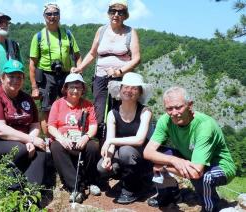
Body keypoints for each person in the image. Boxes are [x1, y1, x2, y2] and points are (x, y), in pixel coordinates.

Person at [143, 86, 236, 212]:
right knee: (156, 156)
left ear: (190, 105)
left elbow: (196, 172)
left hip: (220, 167)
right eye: (169, 109)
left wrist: (164, 166)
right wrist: (174, 160)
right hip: (190, 159)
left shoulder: (205, 126)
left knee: (204, 177)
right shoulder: (166, 120)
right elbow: (148, 152)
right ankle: (168, 196)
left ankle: (210, 208)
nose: (174, 113)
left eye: (178, 107)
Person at [71, 0, 140, 140]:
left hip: (121, 79)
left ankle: (116, 143)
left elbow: (136, 58)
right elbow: (92, 53)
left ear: (125, 15)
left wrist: (119, 72)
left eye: (120, 12)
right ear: (109, 13)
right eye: (113, 11)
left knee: (118, 111)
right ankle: (99, 143)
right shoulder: (101, 30)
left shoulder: (130, 32)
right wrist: (80, 68)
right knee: (99, 111)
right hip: (100, 77)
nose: (116, 15)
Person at [0, 59, 46, 185]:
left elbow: (35, 124)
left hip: (22, 140)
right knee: (19, 149)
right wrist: (29, 140)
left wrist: (31, 140)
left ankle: (31, 193)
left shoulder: (26, 99)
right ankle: (11, 188)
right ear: (2, 77)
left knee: (40, 151)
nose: (16, 80)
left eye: (19, 77)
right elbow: (0, 130)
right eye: (11, 76)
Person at [97, 72, 153, 204]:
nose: (129, 91)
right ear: (120, 90)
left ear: (139, 93)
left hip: (141, 156)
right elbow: (110, 141)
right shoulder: (112, 113)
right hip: (124, 155)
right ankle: (128, 179)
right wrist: (108, 158)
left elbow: (139, 140)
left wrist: (110, 141)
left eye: (134, 88)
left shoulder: (145, 111)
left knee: (125, 151)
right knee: (101, 167)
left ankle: (132, 189)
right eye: (126, 87)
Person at [29, 3, 82, 138]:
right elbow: (32, 63)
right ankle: (48, 140)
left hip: (66, 74)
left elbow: (77, 55)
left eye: (55, 13)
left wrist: (78, 73)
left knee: (71, 104)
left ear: (59, 16)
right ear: (44, 16)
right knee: (46, 108)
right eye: (49, 14)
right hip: (47, 75)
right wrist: (34, 87)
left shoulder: (67, 34)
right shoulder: (39, 36)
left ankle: (70, 134)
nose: (52, 17)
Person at [48, 73, 99, 203]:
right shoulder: (57, 104)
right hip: (64, 140)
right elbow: (51, 126)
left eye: (78, 87)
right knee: (55, 146)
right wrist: (61, 138)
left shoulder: (88, 105)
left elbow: (93, 126)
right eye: (72, 87)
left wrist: (86, 137)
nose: (75, 90)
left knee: (93, 147)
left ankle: (87, 180)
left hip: (81, 139)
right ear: (65, 89)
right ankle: (76, 187)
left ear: (83, 89)